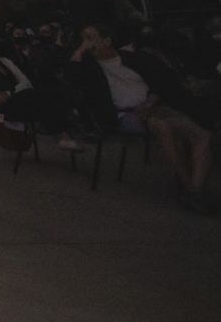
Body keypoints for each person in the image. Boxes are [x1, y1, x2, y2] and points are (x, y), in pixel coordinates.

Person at [67, 24, 213, 212]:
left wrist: (152, 101)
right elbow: (71, 76)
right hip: (124, 114)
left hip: (157, 108)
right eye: (83, 39)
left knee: (202, 136)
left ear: (107, 41)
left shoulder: (136, 59)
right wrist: (81, 50)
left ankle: (195, 189)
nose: (86, 43)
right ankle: (190, 189)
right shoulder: (89, 67)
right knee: (163, 128)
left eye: (90, 38)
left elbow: (166, 82)